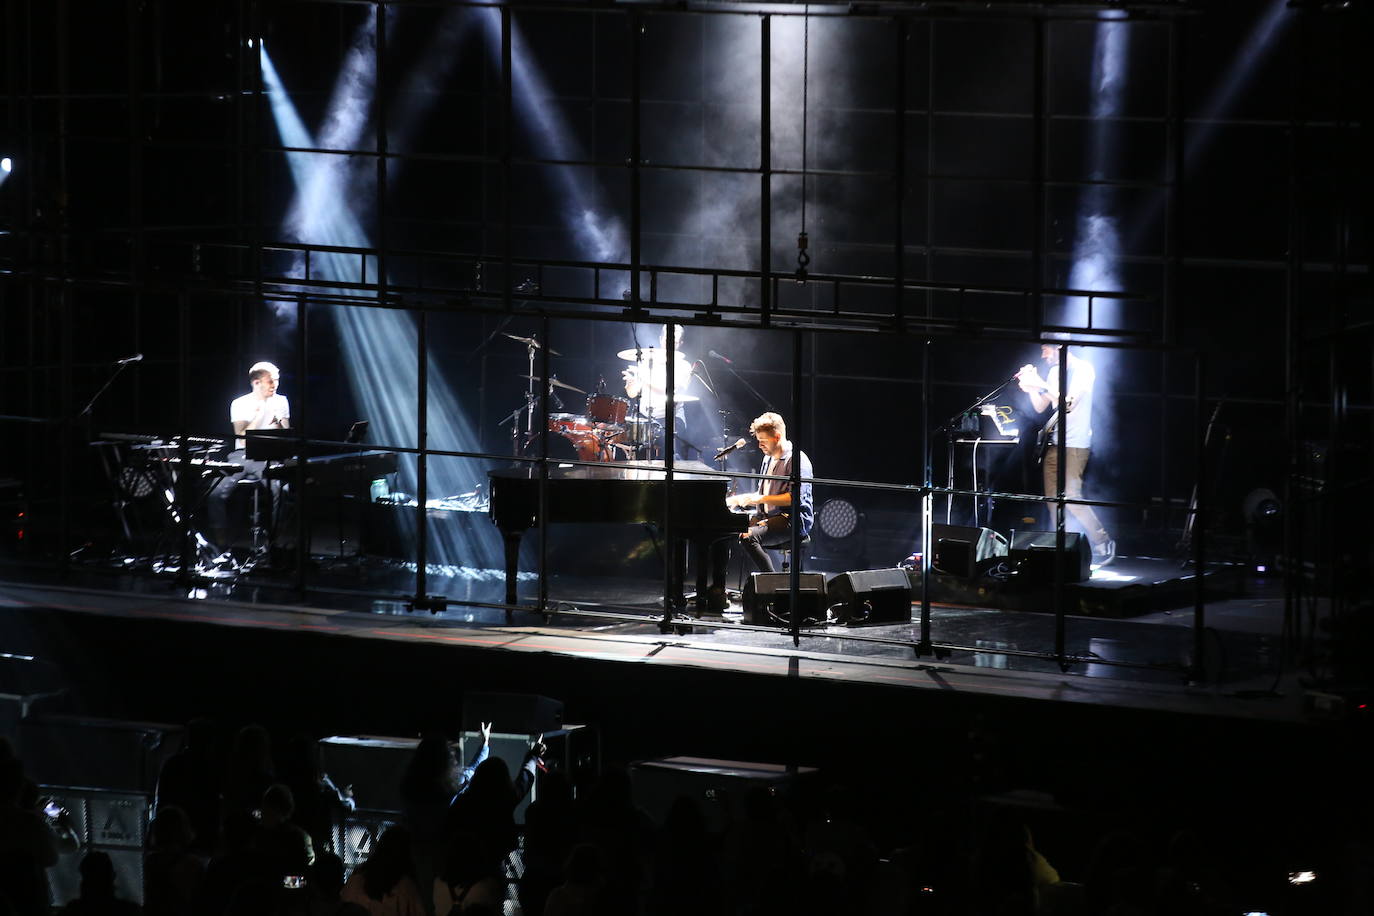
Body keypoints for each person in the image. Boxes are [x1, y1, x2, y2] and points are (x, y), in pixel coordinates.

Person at [1016, 343, 1115, 566]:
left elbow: (1068, 403)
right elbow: (1041, 406)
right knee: (1053, 500)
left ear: (1059, 347)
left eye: (1046, 350)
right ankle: (1064, 546)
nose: (1043, 355)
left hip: (1075, 445)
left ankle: (1103, 542)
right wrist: (1031, 387)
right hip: (1054, 445)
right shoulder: (1054, 372)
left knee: (1071, 496)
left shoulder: (1084, 369)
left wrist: (1040, 384)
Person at [706, 411, 814, 612]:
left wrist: (759, 499)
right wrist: (741, 500)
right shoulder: (768, 459)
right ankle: (718, 591)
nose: (759, 445)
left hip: (791, 519)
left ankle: (776, 591)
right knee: (723, 528)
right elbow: (763, 493)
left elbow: (794, 498)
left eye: (763, 441)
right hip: (768, 515)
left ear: (777, 437)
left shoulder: (797, 460)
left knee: (748, 537)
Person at [208, 361, 290, 554]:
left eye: (276, 380)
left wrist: (278, 420)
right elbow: (242, 438)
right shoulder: (240, 403)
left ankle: (273, 542)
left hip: (269, 455)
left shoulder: (281, 401)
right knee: (215, 494)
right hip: (243, 455)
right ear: (256, 382)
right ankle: (221, 542)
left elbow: (286, 434)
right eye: (270, 381)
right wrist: (259, 413)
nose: (275, 385)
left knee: (282, 490)